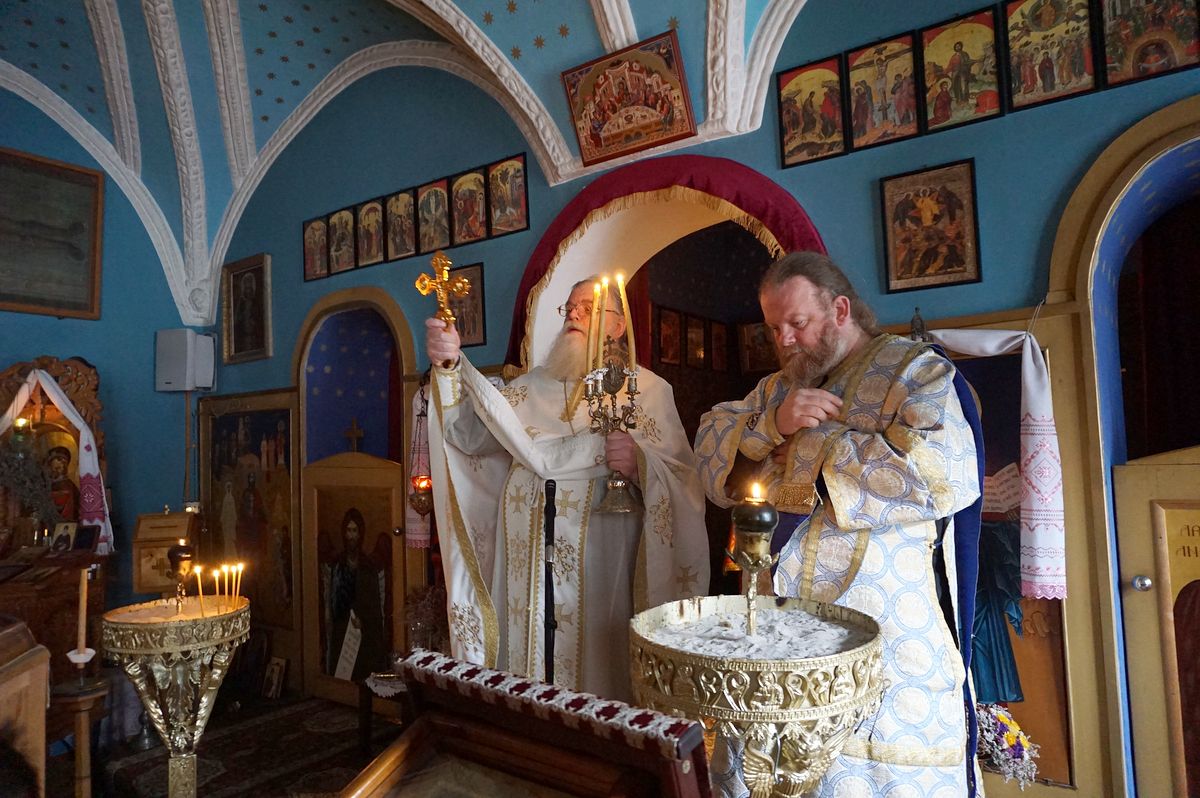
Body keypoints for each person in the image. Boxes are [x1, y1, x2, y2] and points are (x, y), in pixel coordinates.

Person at [694, 252, 983, 797]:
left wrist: (813, 448)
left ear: (840, 310)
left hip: (880, 623)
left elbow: (942, 472)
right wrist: (771, 424)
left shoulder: (913, 371)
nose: (784, 340)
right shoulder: (776, 390)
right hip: (777, 628)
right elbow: (711, 455)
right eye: (774, 328)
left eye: (797, 323)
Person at [424, 277, 709, 701]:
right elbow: (467, 437)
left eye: (588, 308)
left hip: (603, 568)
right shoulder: (526, 388)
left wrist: (640, 464)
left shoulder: (646, 391)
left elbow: (684, 480)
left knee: (598, 678)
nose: (574, 315)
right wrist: (449, 367)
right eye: (570, 308)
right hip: (525, 569)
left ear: (617, 326)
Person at [322, 507, 386, 681]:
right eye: (348, 531)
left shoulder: (367, 566)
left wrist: (362, 620)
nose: (351, 536)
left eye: (355, 531)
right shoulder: (338, 563)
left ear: (360, 533)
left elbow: (373, 604)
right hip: (342, 627)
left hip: (362, 631)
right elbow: (333, 599)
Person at [45, 446, 79, 522]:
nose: (62, 463)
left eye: (65, 461)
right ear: (50, 463)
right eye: (59, 459)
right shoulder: (43, 484)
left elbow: (78, 508)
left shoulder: (71, 486)